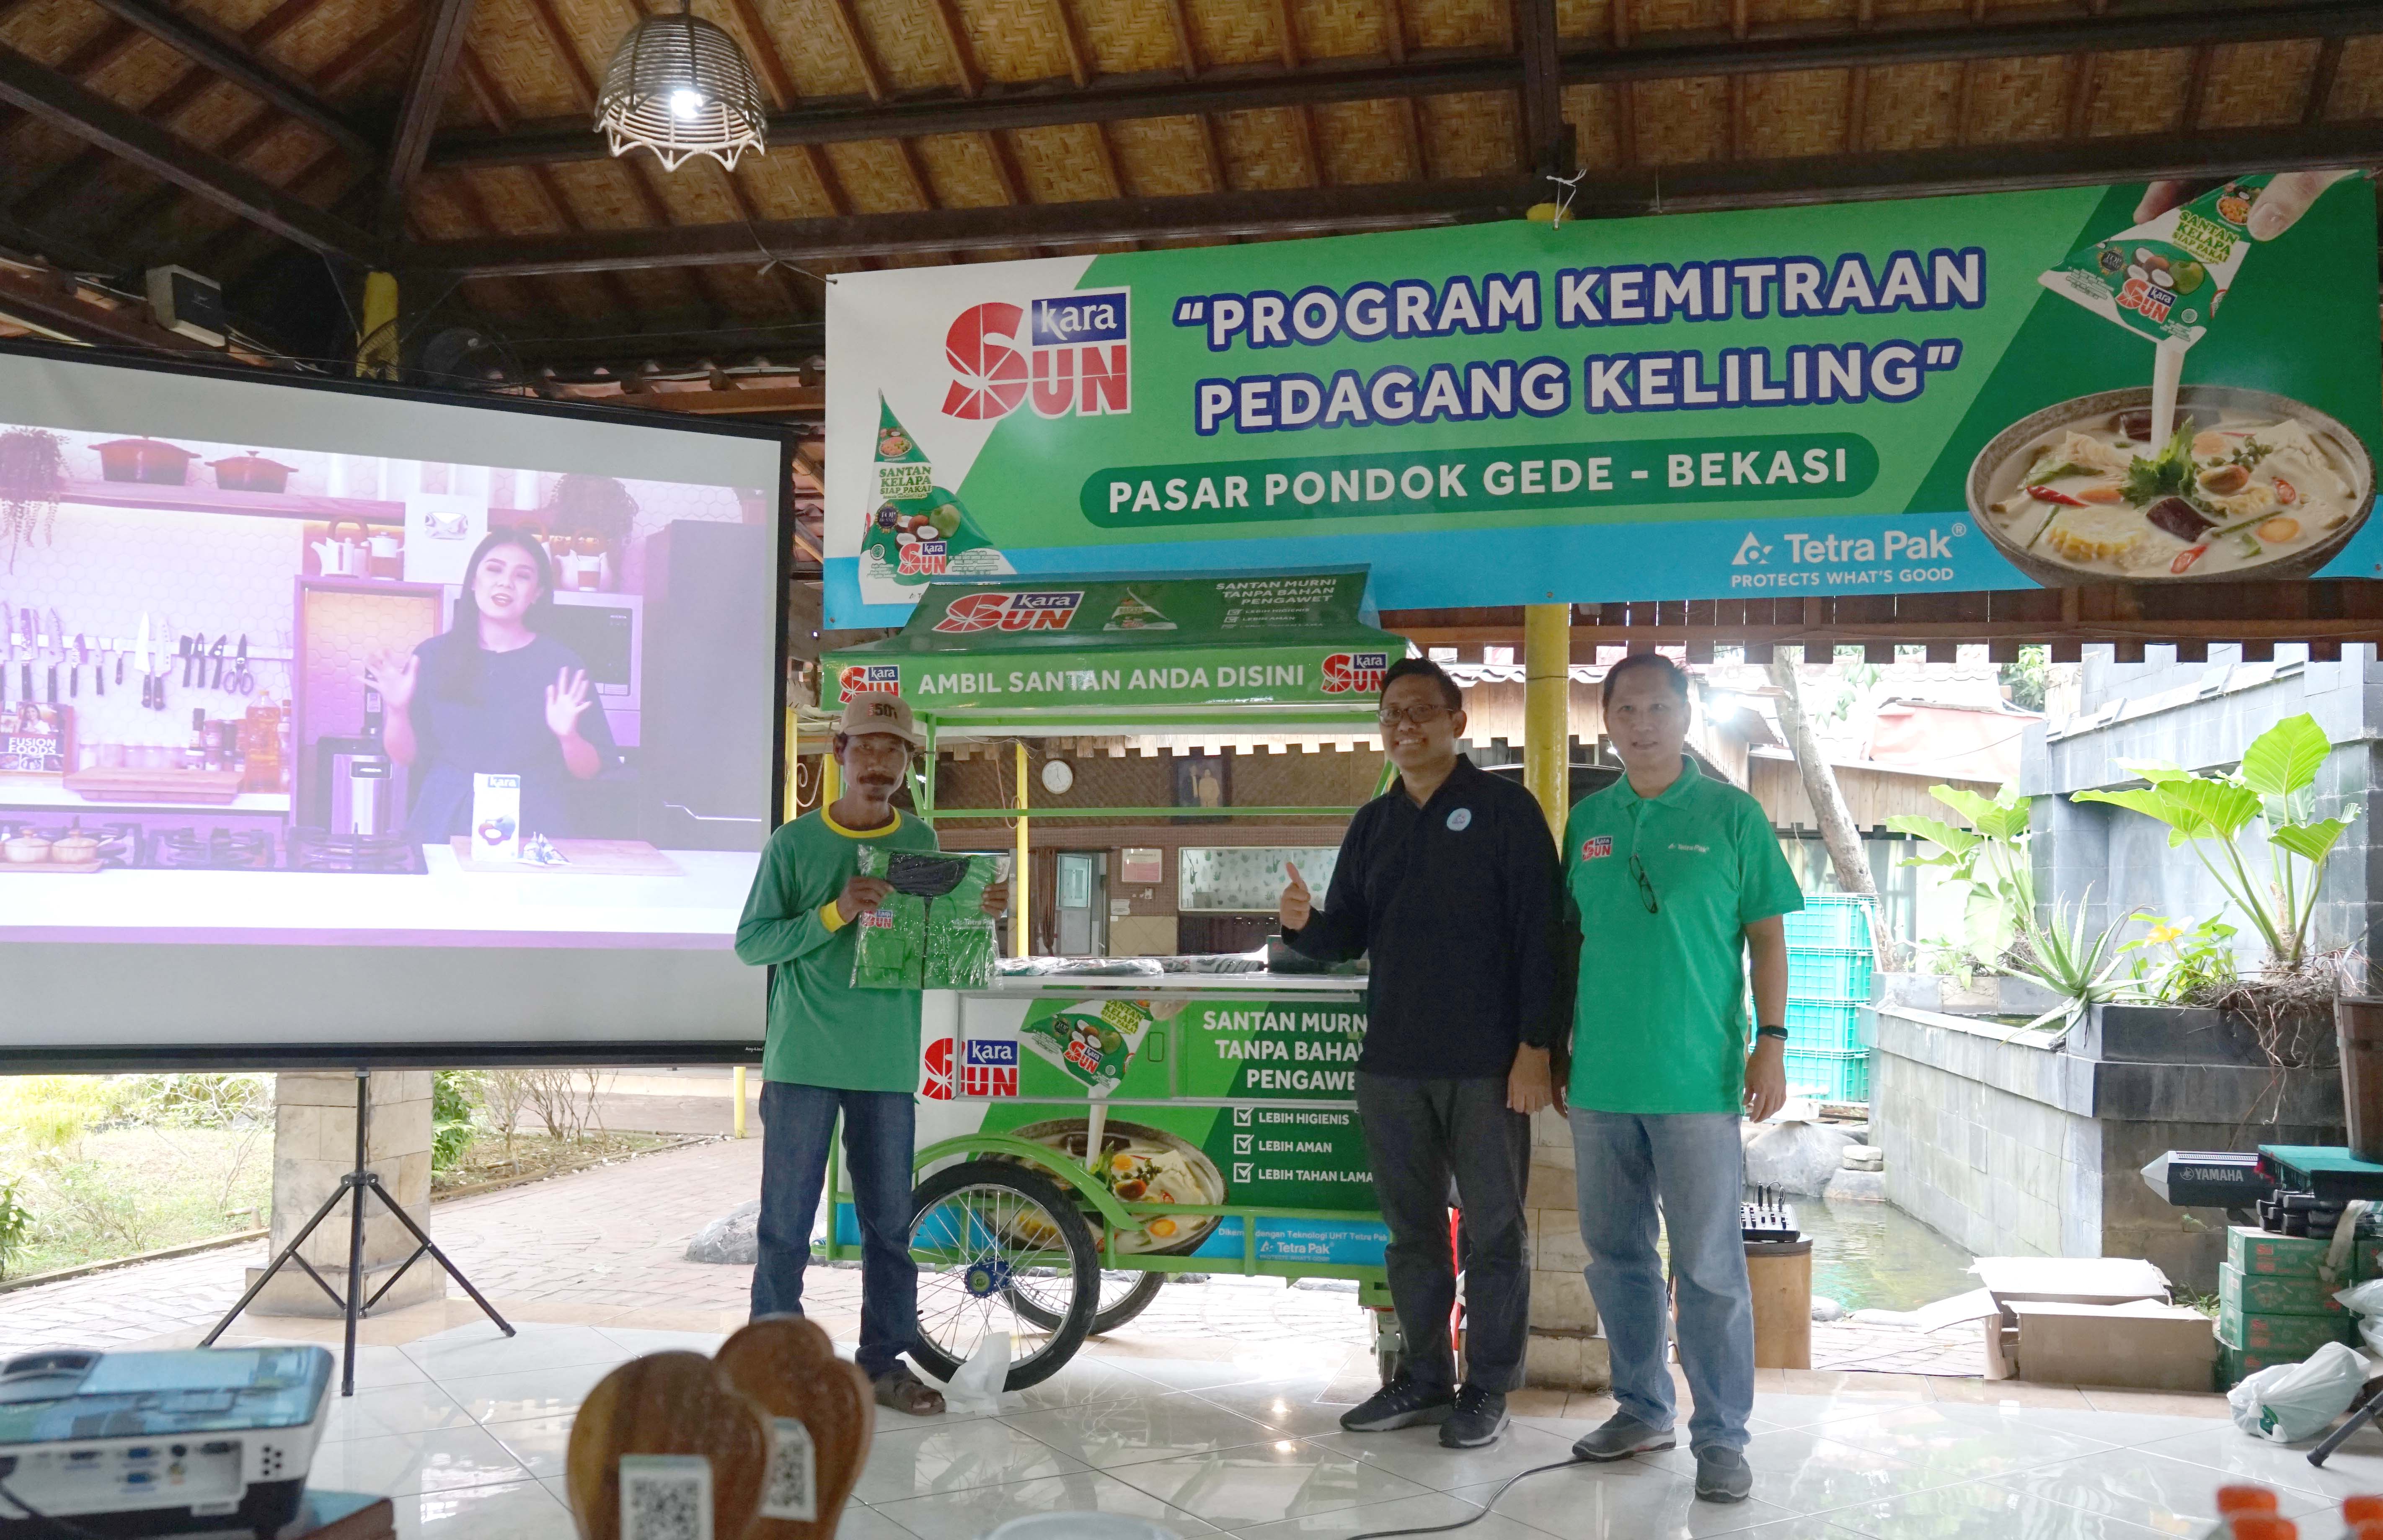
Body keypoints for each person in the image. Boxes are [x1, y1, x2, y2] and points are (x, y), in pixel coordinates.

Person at [1277, 657, 1564, 1449]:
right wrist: (1303, 922)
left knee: (1493, 1231)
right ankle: (1425, 1378)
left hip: (1485, 1063)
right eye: (1390, 716)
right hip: (1392, 1061)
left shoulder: (1506, 810)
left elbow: (1543, 935)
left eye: (1420, 713)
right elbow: (1347, 935)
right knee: (1410, 1232)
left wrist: (1535, 1046)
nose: (1404, 728)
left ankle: (1487, 1387)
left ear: (1456, 722)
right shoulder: (1374, 821)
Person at [1560, 653, 1799, 1504]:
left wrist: (1770, 1041)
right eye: (1627, 708)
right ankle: (1641, 1407)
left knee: (1707, 1267)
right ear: (1609, 719)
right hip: (1600, 1082)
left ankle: (1723, 1436)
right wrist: (1553, 1050)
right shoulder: (1588, 820)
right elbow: (1570, 944)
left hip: (1699, 1081)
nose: (1643, 721)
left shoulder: (1733, 814)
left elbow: (1768, 939)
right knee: (1616, 1256)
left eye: (1660, 705)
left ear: (1687, 712)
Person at [733, 693, 1007, 1416]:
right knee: (784, 1226)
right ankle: (774, 1364)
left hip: (886, 1063)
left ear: (907, 765)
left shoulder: (919, 838)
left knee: (889, 1226)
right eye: (867, 748)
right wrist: (834, 912)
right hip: (801, 1062)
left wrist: (978, 918)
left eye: (896, 751)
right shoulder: (793, 847)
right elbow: (752, 943)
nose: (881, 763)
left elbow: (936, 946)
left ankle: (883, 1366)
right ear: (839, 754)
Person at [366, 529, 613, 847]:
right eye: (494, 569)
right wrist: (397, 710)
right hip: (444, 820)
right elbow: (403, 757)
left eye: (522, 576)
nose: (505, 582)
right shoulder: (432, 657)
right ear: (473, 581)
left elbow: (588, 771)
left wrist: (569, 737)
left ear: (537, 592)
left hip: (535, 825)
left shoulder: (563, 665)